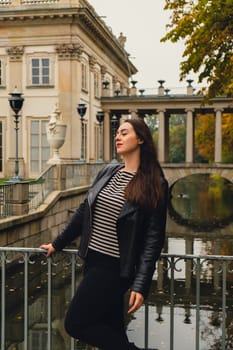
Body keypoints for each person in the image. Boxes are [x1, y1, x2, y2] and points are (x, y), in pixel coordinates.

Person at [40, 117, 168, 350]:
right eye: (117, 133)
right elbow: (83, 212)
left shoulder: (155, 182)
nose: (117, 137)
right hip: (92, 261)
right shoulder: (109, 172)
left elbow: (153, 240)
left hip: (115, 268)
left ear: (140, 139)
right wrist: (57, 244)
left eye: (125, 133)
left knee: (75, 324)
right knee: (112, 329)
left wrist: (141, 284)